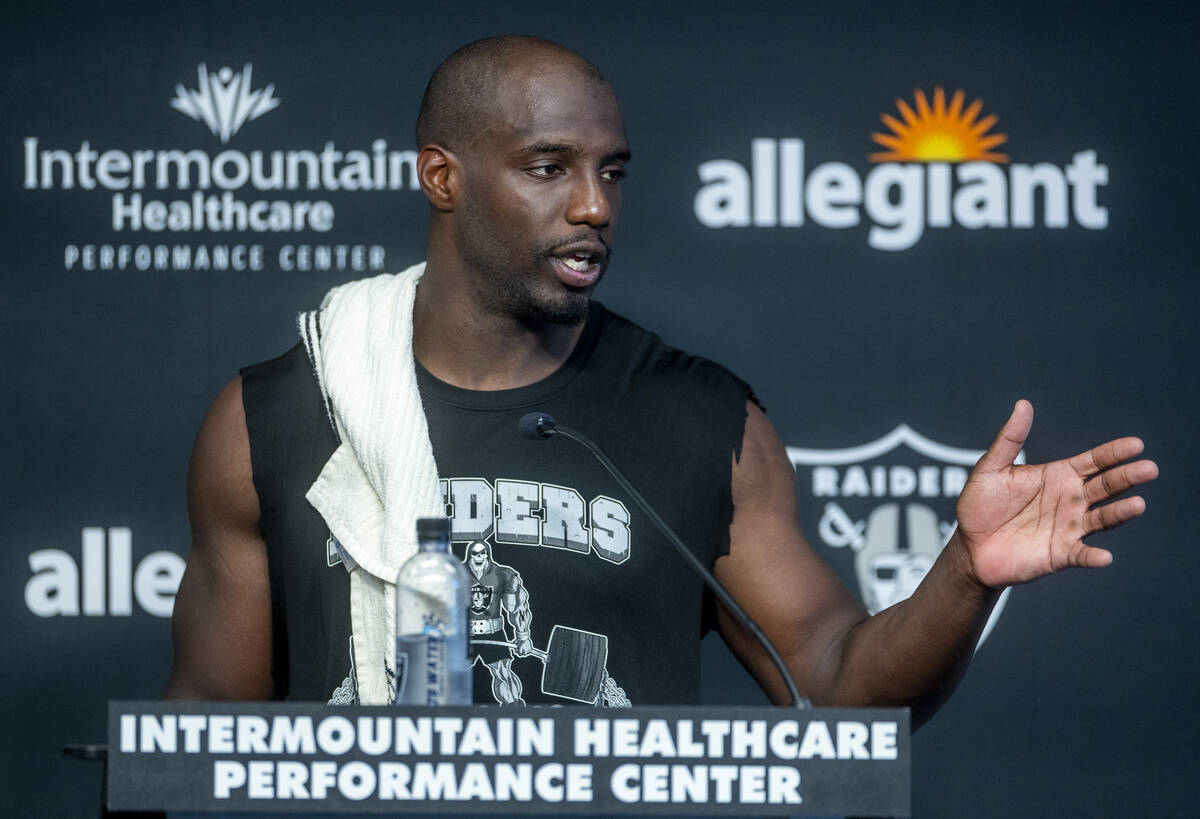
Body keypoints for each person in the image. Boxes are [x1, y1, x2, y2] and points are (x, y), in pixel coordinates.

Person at [164, 36, 1156, 721]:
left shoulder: (698, 418)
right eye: (549, 168)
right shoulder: (286, 417)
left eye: (614, 171)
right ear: (443, 177)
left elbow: (838, 685)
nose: (595, 205)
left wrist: (965, 574)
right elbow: (200, 734)